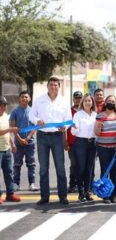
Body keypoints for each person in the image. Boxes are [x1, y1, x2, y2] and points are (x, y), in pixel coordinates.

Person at [29, 76, 72, 205]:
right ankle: (44, 196)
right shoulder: (39, 100)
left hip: (58, 136)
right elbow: (31, 115)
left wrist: (65, 126)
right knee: (43, 168)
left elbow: (68, 119)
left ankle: (63, 196)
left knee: (60, 168)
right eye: (51, 84)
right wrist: (37, 121)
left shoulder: (64, 102)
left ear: (59, 87)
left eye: (56, 85)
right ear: (47, 86)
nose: (53, 87)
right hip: (42, 136)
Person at [94, 95, 116, 204]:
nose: (111, 103)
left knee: (114, 172)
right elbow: (96, 133)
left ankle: (114, 195)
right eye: (109, 101)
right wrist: (98, 126)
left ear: (115, 104)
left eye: (113, 101)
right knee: (104, 170)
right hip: (102, 147)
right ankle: (105, 195)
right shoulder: (100, 116)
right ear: (105, 103)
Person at [9, 90, 37, 191]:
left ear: (29, 99)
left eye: (26, 97)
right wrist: (20, 139)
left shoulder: (33, 111)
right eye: (22, 97)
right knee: (17, 164)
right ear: (19, 99)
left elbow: (35, 126)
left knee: (31, 164)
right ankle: (16, 184)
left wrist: (28, 138)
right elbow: (13, 126)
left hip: (30, 142)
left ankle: (32, 184)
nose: (24, 99)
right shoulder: (15, 112)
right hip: (18, 142)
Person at [71, 93, 97, 203]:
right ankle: (81, 192)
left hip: (93, 143)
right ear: (83, 102)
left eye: (89, 101)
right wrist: (75, 128)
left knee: (89, 169)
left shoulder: (96, 115)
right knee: (81, 168)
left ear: (92, 103)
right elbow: (73, 131)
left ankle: (88, 191)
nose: (87, 102)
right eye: (85, 101)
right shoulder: (78, 115)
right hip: (81, 142)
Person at [0, 96, 21, 204]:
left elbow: (7, 133)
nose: (3, 108)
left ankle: (10, 193)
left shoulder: (5, 117)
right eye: (1, 105)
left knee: (9, 172)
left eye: (4, 105)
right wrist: (11, 129)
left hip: (7, 149)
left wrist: (12, 143)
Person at [66, 90, 82, 193]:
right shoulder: (68, 111)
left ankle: (84, 185)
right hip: (72, 143)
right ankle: (72, 184)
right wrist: (66, 141)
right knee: (74, 164)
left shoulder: (85, 111)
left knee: (84, 165)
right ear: (73, 99)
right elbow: (66, 127)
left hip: (84, 143)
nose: (77, 100)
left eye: (79, 98)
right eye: (76, 98)